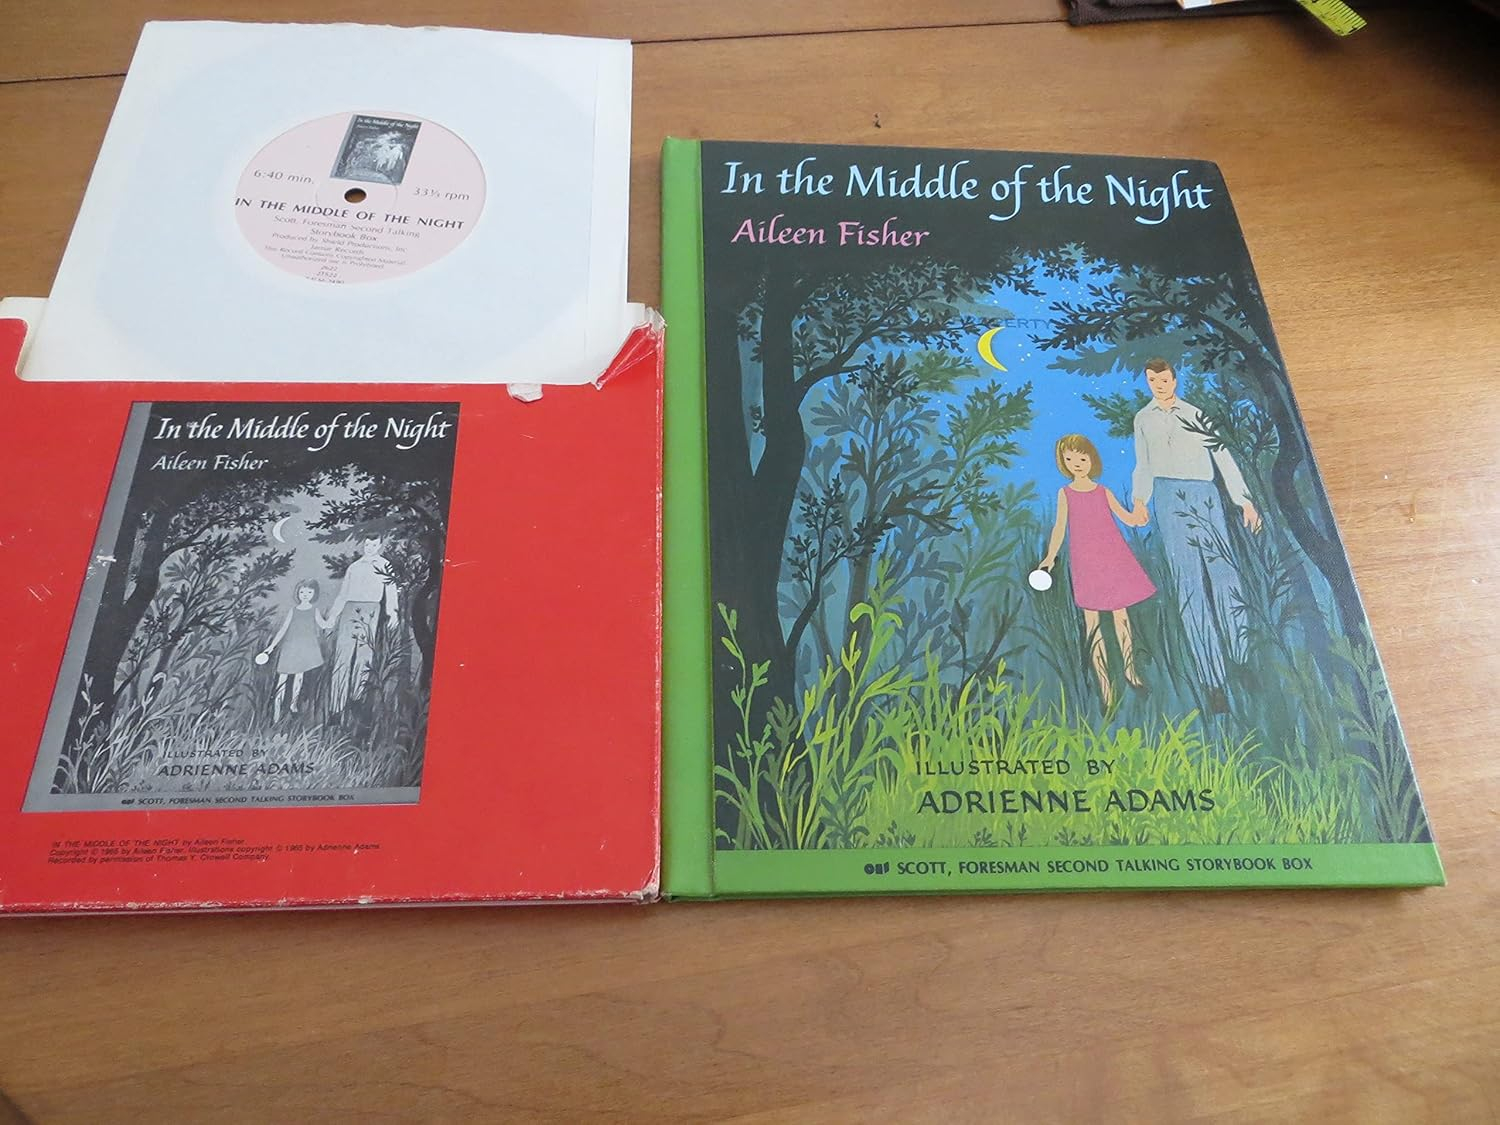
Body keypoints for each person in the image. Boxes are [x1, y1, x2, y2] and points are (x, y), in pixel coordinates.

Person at [1129, 358, 1261, 714]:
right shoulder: (1143, 419)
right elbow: (1143, 464)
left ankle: (1241, 659)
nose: (1159, 385)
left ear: (1174, 380)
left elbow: (1223, 457)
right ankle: (1213, 681)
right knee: (1189, 588)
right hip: (1168, 498)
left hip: (1205, 495)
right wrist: (1140, 500)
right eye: (1152, 380)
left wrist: (1244, 502)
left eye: (1164, 379)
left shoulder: (1195, 414)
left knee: (1225, 576)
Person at [1039, 434, 1154, 710]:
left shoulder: (1103, 491)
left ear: (1092, 459)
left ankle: (1130, 671)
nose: (1076, 463)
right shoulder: (1065, 494)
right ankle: (1105, 687)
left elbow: (1127, 518)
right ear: (1062, 463)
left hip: (1113, 559)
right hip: (1086, 563)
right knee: (1093, 625)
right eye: (1069, 459)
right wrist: (1050, 557)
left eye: (1081, 457)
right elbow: (1059, 528)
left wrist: (1139, 517)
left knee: (1121, 617)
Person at [326, 536, 400, 714]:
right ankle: (336, 707)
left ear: (379, 545)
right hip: (350, 609)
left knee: (364, 656)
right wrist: (333, 616)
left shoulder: (384, 565)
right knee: (342, 657)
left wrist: (393, 614)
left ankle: (356, 698)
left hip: (371, 610)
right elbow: (343, 594)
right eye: (367, 544)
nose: (370, 547)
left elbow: (390, 592)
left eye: (374, 544)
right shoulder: (355, 567)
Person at [259, 579, 332, 721]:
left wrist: (332, 620)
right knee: (282, 679)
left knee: (299, 677)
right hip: (290, 648)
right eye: (302, 591)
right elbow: (283, 629)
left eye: (309, 592)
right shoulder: (293, 611)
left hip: (305, 648)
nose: (305, 594)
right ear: (298, 593)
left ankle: (293, 705)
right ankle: (276, 712)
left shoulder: (314, 610)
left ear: (314, 594)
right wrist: (271, 646)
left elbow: (323, 625)